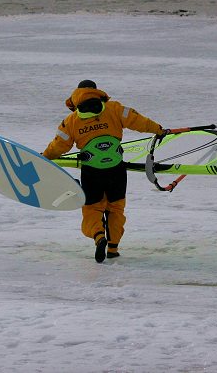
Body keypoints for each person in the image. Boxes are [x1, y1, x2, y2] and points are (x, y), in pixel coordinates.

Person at [42, 80, 165, 263]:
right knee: (116, 208)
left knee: (92, 209)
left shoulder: (71, 120)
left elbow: (59, 146)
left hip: (92, 171)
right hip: (116, 169)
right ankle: (113, 248)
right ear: (96, 91)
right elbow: (138, 121)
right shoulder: (114, 108)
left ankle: (99, 236)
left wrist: (45, 157)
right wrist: (159, 130)